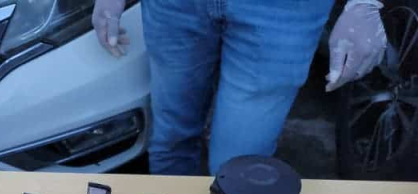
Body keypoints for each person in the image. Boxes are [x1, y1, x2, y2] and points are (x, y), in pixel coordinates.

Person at [92, 0, 388, 175]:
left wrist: (364, 3)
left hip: (284, 9)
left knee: (238, 167)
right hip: (175, 7)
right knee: (171, 138)